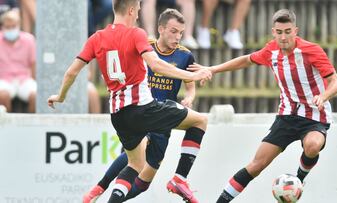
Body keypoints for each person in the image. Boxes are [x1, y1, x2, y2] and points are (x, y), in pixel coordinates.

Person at [47, 1, 211, 203]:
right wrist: (194, 76)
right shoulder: (136, 34)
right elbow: (157, 65)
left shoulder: (96, 37)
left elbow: (72, 71)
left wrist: (60, 96)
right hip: (143, 108)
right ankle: (180, 178)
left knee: (135, 165)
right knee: (200, 121)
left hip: (118, 115)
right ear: (132, 10)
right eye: (139, 9)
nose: (139, 13)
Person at [189, 9, 337, 202]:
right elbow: (246, 60)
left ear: (296, 30)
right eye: (279, 32)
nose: (284, 37)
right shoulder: (271, 51)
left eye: (288, 31)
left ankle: (299, 181)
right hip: (287, 116)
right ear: (273, 32)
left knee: (312, 146)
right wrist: (211, 68)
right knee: (256, 165)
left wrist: (324, 95)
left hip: (314, 116)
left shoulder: (311, 50)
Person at [83, 8, 197, 202]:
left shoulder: (185, 56)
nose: (178, 37)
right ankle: (99, 187)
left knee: (144, 181)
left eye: (181, 32)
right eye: (173, 31)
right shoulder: (144, 46)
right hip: (142, 108)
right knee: (136, 157)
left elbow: (190, 84)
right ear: (160, 29)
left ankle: (112, 198)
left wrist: (190, 96)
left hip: (165, 115)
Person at [0, 9, 36, 113]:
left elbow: (33, 64)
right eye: (8, 27)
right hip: (4, 79)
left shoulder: (29, 39)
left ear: (19, 25)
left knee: (37, 96)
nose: (11, 29)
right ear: (2, 26)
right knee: (3, 95)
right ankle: (6, 127)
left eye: (13, 26)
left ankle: (32, 126)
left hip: (24, 79)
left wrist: (34, 79)